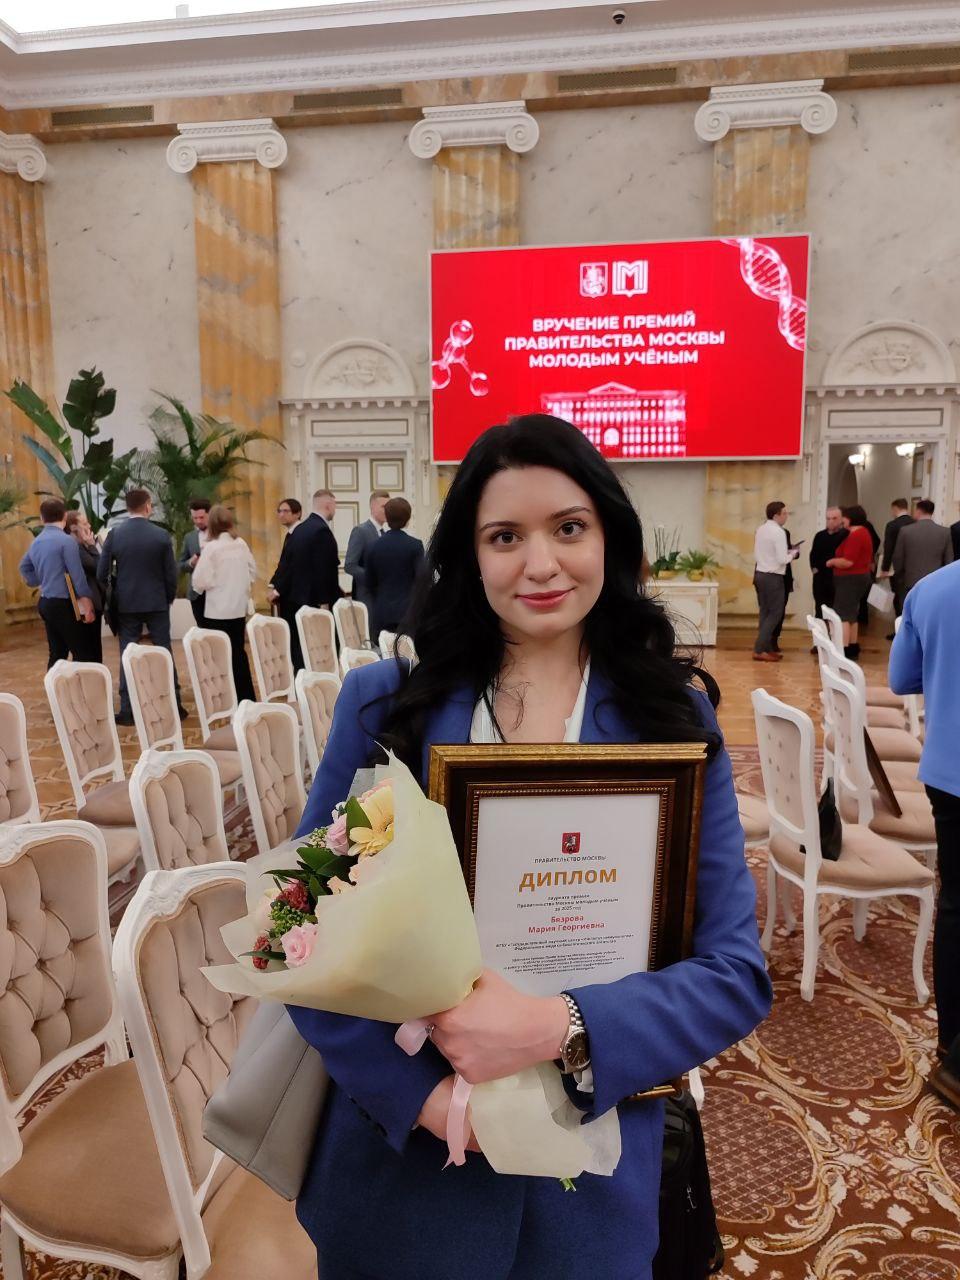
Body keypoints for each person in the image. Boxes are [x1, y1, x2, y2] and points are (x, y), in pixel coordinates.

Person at [289, 414, 772, 1280]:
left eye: (569, 528)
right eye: (505, 536)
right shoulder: (389, 707)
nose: (540, 563)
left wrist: (561, 1026)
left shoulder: (670, 720)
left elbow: (733, 974)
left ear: (610, 540)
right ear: (469, 556)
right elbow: (298, 928)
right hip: (404, 1183)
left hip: (590, 1190)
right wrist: (425, 1099)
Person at [890, 557, 960, 1112]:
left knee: (955, 904)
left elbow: (901, 680)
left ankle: (950, 1047)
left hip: (947, 770)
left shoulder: (931, 589)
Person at [98, 488, 185, 726]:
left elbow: (101, 572)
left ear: (128, 507)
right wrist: (168, 597)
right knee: (164, 650)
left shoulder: (115, 535)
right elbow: (170, 574)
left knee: (127, 654)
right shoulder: (160, 535)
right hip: (156, 602)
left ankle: (127, 709)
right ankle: (175, 705)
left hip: (127, 603)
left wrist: (116, 591)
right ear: (147, 506)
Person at [18, 498, 98, 667]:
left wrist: (40, 579)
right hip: (64, 604)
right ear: (64, 516)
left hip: (45, 603)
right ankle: (81, 685)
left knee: (57, 652)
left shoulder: (36, 542)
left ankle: (52, 684)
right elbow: (77, 576)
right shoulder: (66, 541)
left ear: (42, 518)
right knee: (82, 652)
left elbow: (24, 567)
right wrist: (87, 603)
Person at [268, 489, 341, 671]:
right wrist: (324, 603)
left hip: (295, 599)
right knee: (316, 648)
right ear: (328, 505)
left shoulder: (301, 529)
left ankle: (301, 678)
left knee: (299, 647)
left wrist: (277, 587)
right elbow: (324, 570)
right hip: (313, 601)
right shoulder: (321, 531)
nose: (335, 509)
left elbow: (288, 563)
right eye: (335, 505)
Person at [191, 504, 257, 702]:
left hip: (217, 611)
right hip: (237, 609)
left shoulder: (211, 548)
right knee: (238, 654)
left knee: (219, 657)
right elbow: (252, 572)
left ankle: (224, 699)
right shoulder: (241, 544)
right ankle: (246, 697)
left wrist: (209, 586)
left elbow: (199, 581)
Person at [365, 496, 424, 640]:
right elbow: (421, 580)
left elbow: (369, 583)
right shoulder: (415, 545)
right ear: (408, 519)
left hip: (382, 612)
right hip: (408, 612)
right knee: (408, 652)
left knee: (385, 651)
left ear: (387, 517)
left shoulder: (373, 546)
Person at [826, 504, 874, 659]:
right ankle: (852, 647)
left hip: (850, 578)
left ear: (851, 518)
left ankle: (843, 650)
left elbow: (848, 561)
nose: (842, 521)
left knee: (843, 615)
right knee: (852, 614)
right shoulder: (862, 532)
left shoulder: (856, 535)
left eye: (844, 518)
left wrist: (832, 561)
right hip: (858, 577)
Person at [752, 500, 798, 663]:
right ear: (776, 515)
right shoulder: (778, 532)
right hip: (773, 576)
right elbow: (781, 559)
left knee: (765, 612)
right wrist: (793, 553)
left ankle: (766, 648)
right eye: (784, 513)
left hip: (760, 574)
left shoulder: (761, 529)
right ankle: (759, 649)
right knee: (776, 613)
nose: (786, 516)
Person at [892, 499, 953, 599]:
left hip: (910, 582)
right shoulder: (945, 532)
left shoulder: (905, 531)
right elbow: (949, 561)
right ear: (932, 512)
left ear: (918, 511)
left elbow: (898, 558)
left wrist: (900, 577)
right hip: (934, 583)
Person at [64, 510, 104, 663]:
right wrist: (93, 546)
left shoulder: (81, 545)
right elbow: (99, 568)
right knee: (90, 652)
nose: (89, 526)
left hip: (91, 603)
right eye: (85, 523)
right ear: (73, 528)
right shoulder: (75, 547)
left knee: (94, 649)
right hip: (85, 605)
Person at [345, 489, 390, 611]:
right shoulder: (360, 531)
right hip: (366, 597)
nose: (387, 510)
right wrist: (373, 577)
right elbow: (349, 565)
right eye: (383, 506)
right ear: (372, 507)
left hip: (382, 597)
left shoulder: (385, 534)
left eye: (389, 507)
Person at [808, 506, 845, 628]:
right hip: (820, 578)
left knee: (836, 611)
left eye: (834, 518)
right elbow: (813, 554)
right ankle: (820, 637)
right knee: (820, 609)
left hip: (837, 578)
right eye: (828, 518)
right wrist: (814, 569)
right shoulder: (820, 535)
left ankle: (835, 637)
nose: (831, 521)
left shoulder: (845, 535)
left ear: (841, 519)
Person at [879, 497, 914, 622]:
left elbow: (888, 548)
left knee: (898, 596)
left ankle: (899, 624)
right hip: (913, 567)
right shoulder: (915, 523)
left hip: (896, 567)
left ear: (895, 508)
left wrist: (884, 568)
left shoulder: (892, 525)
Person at [179, 498, 211, 627]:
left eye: (201, 517)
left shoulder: (221, 535)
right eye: (195, 518)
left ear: (210, 514)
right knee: (202, 630)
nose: (198, 521)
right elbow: (181, 565)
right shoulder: (189, 537)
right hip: (197, 595)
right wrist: (191, 563)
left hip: (217, 592)